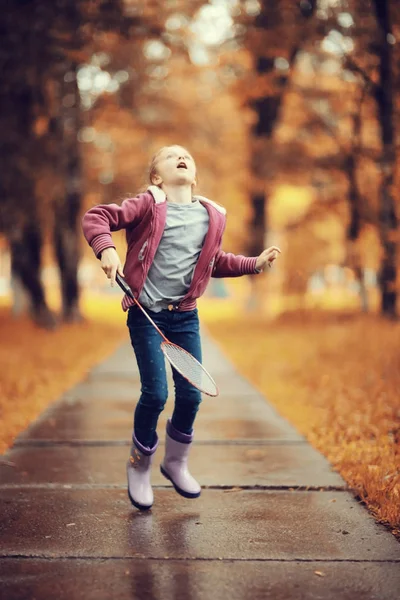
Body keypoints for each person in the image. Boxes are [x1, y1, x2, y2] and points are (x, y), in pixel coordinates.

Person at [82, 145, 281, 510]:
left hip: (185, 316)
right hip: (147, 315)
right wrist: (106, 248)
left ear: (194, 175)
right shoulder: (147, 205)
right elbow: (96, 217)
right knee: (156, 394)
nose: (181, 156)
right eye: (170, 154)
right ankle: (139, 466)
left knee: (190, 395)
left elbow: (214, 261)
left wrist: (253, 263)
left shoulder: (211, 216)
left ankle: (175, 462)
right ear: (156, 176)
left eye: (187, 154)